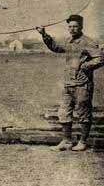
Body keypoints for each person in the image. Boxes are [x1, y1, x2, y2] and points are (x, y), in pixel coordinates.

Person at [37, 14, 104, 151]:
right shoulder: (68, 41)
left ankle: (83, 142)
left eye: (75, 26)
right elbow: (55, 47)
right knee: (64, 112)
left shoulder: (88, 42)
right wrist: (44, 34)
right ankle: (66, 141)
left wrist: (86, 66)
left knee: (83, 113)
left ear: (81, 27)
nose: (72, 29)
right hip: (68, 83)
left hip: (82, 84)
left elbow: (100, 59)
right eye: (70, 27)